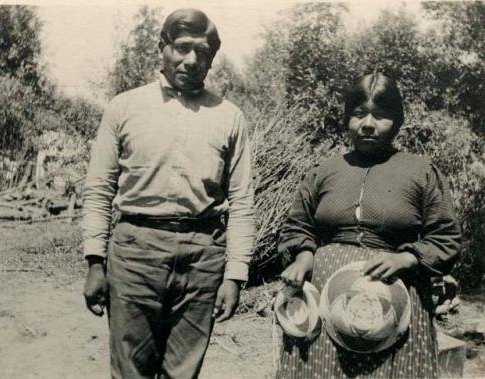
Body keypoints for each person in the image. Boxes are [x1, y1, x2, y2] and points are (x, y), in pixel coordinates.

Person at [82, 9, 255, 379]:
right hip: (135, 253)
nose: (192, 60)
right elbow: (99, 190)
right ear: (162, 48)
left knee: (182, 373)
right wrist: (95, 261)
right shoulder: (124, 108)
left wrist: (234, 276)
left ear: (212, 57)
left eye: (203, 52)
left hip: (203, 258)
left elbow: (242, 202)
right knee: (131, 371)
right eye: (182, 48)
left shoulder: (229, 117)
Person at [277, 73, 461, 379]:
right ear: (347, 118)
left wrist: (406, 258)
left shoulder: (420, 171)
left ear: (398, 122)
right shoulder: (324, 171)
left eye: (381, 115)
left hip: (396, 299)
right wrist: (303, 256)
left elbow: (446, 237)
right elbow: (298, 226)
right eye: (359, 114)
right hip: (326, 299)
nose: (368, 124)